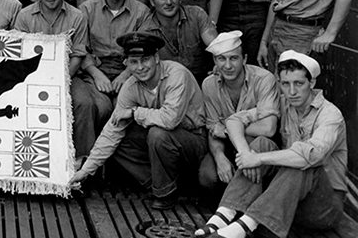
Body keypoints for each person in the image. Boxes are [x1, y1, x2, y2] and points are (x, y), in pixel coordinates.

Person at [194, 51, 347, 238]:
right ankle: (224, 214)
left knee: (303, 161)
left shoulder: (331, 115)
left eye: (299, 83)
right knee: (261, 143)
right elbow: (233, 121)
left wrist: (257, 159)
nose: (291, 91)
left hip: (322, 207)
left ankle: (243, 227)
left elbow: (312, 155)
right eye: (285, 84)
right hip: (286, 199)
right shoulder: (283, 104)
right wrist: (246, 153)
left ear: (312, 83)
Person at [71, 32, 208, 209]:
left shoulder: (176, 75)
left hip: (193, 141)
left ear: (156, 58)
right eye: (134, 62)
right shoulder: (130, 86)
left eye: (145, 59)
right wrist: (85, 170)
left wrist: (135, 112)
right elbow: (111, 132)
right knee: (119, 139)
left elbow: (170, 120)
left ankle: (165, 194)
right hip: (162, 146)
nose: (140, 67)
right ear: (126, 64)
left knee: (158, 134)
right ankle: (167, 184)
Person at [14, 0, 110, 163]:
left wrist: (60, 80)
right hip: (32, 76)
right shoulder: (24, 16)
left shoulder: (77, 17)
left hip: (68, 74)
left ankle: (83, 162)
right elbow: (20, 55)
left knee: (84, 104)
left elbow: (77, 55)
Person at [197, 31, 280, 197]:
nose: (227, 66)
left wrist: (228, 130)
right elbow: (213, 129)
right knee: (208, 177)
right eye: (222, 59)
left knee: (252, 155)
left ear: (245, 59)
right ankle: (228, 208)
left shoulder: (264, 79)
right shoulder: (209, 85)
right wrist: (220, 157)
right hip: (227, 146)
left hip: (258, 147)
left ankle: (246, 210)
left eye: (233, 58)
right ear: (215, 61)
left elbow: (268, 128)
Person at [79, 0, 151, 93]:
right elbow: (81, 49)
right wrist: (96, 75)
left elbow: (142, 50)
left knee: (125, 105)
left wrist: (126, 75)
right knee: (99, 107)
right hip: (95, 69)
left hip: (130, 70)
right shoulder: (86, 10)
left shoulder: (142, 12)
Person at [139, 0, 218, 84]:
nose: (169, 2)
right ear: (152, 1)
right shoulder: (146, 31)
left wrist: (220, 64)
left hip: (201, 81)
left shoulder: (197, 15)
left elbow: (217, 46)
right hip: (168, 85)